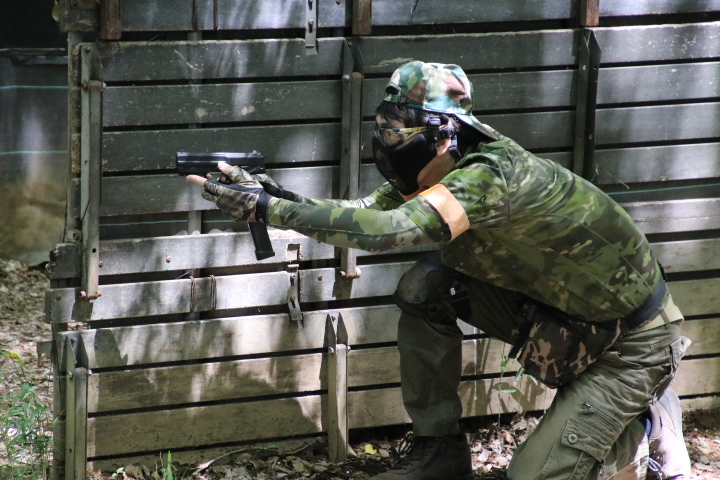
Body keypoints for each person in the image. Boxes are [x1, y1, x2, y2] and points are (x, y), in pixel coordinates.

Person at [187, 62, 692, 480]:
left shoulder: (489, 175)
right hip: (565, 317)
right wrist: (273, 195)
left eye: (398, 131)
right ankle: (439, 451)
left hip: (630, 345)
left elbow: (384, 232)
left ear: (444, 136)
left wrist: (268, 210)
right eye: (384, 127)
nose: (386, 142)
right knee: (427, 286)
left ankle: (648, 425)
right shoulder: (443, 170)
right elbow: (362, 214)